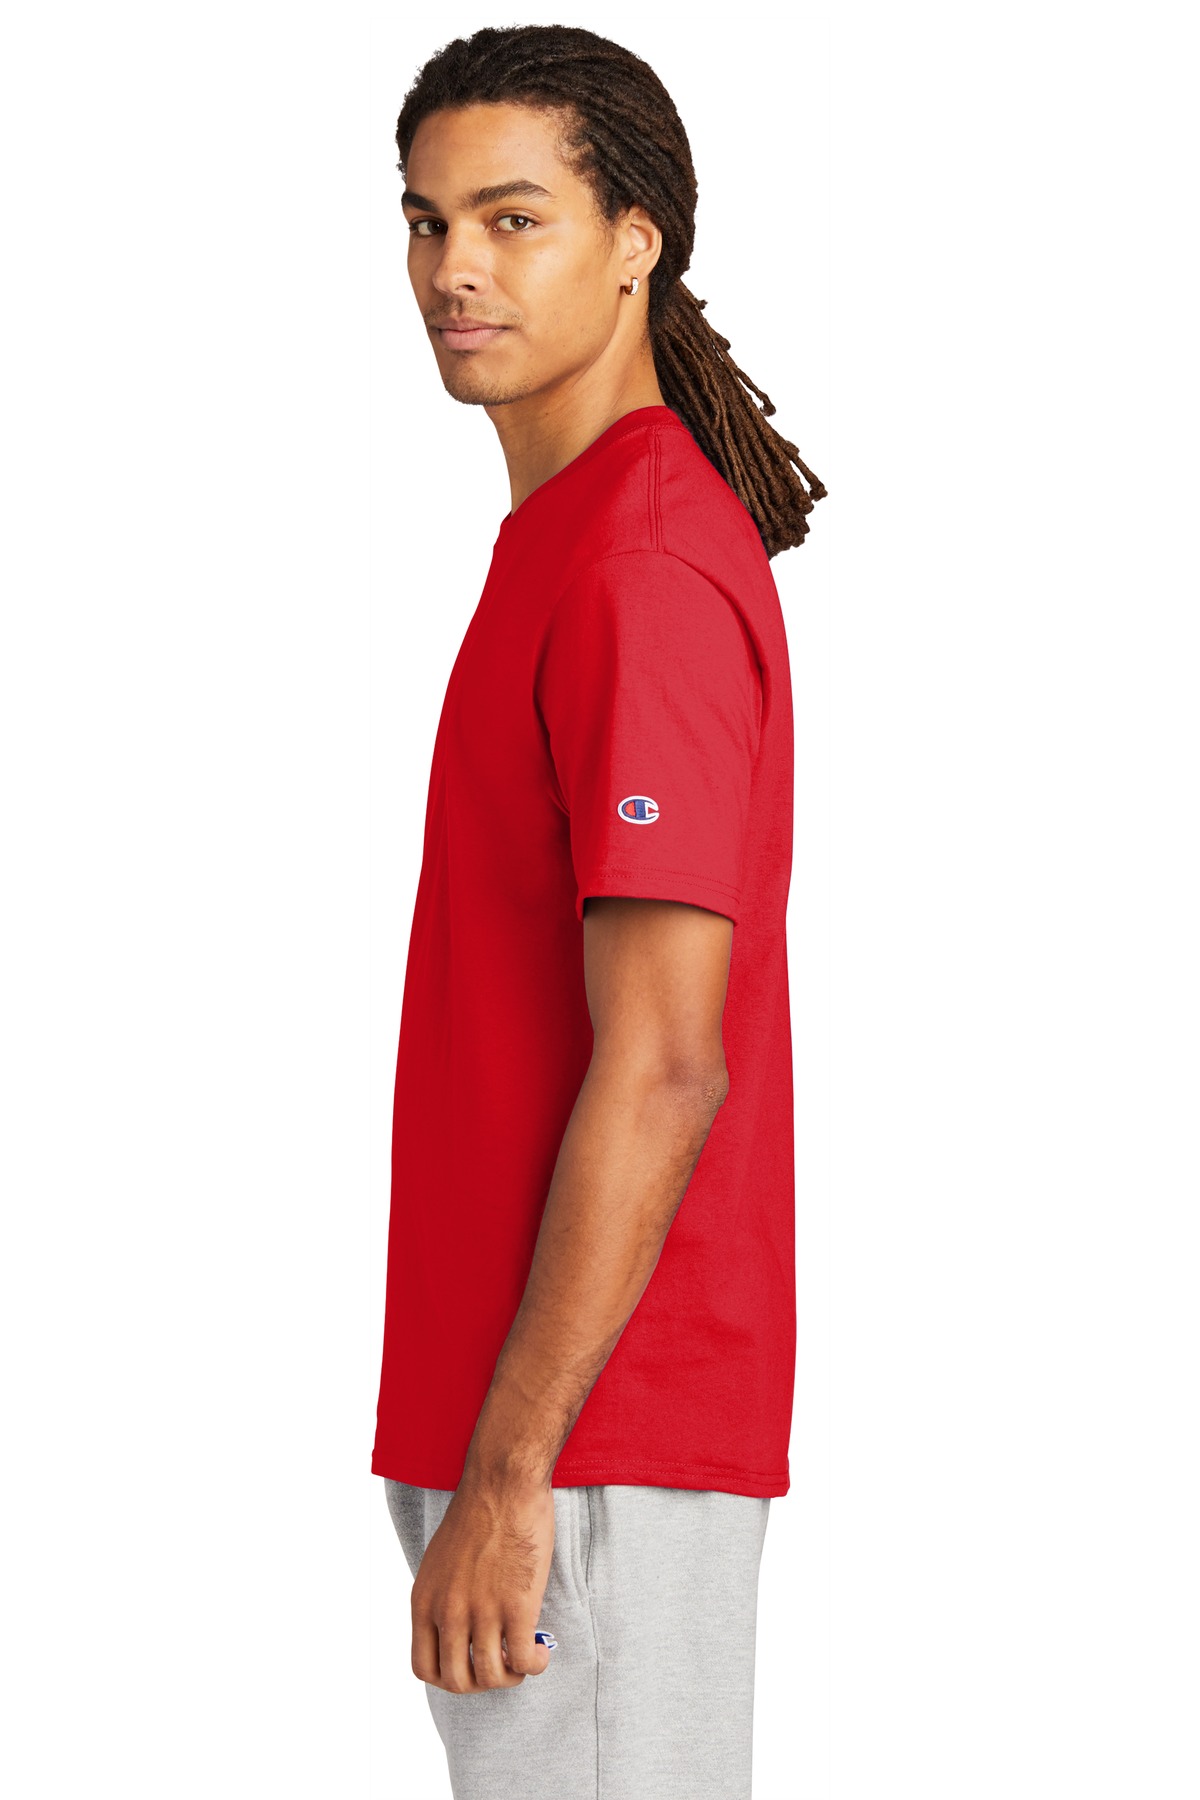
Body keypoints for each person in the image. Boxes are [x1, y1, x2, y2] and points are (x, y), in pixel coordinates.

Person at [370, 23, 826, 1798]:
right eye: (427, 221)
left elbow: (666, 1062)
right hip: (524, 1414)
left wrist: (513, 1472)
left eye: (513, 219)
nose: (454, 270)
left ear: (636, 241)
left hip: (587, 1438)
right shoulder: (566, 539)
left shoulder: (639, 563)